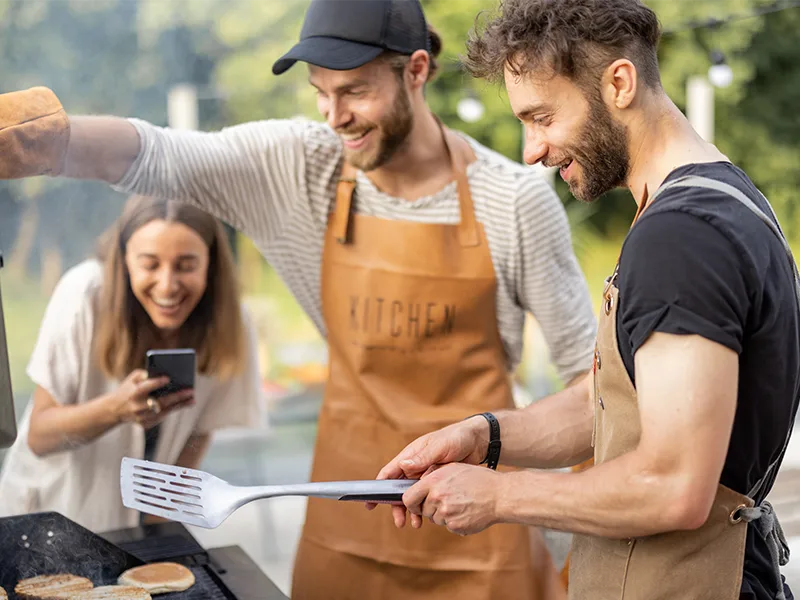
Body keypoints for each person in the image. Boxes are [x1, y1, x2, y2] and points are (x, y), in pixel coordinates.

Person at [0, 0, 597, 596]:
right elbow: (156, 154)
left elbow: (588, 381)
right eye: (321, 92)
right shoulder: (299, 167)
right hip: (344, 530)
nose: (335, 115)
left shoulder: (515, 201)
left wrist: (586, 541)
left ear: (415, 71)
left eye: (354, 91)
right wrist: (49, 142)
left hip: (479, 534)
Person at [375, 1, 799, 599]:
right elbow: (615, 404)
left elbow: (673, 484)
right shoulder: (718, 198)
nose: (531, 150)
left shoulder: (683, 237)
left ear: (619, 84)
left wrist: (500, 496)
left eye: (542, 117)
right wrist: (485, 436)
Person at [0, 195, 264, 533]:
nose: (167, 285)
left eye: (186, 265)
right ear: (124, 261)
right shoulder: (84, 295)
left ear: (211, 264)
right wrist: (116, 410)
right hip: (52, 521)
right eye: (150, 264)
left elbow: (199, 432)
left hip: (139, 526)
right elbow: (39, 436)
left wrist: (159, 525)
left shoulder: (232, 322)